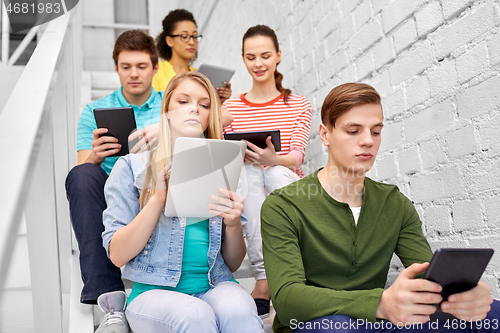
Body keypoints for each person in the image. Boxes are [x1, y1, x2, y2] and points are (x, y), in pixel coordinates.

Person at [261, 82, 500, 332]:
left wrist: (460, 292)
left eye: (376, 132)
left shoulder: (394, 203)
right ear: (324, 134)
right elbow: (288, 301)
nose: (367, 141)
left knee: (492, 311)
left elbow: (425, 275)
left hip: (380, 321)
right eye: (353, 131)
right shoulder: (282, 205)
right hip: (317, 325)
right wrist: (380, 302)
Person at [101, 71, 264, 333]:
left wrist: (232, 224)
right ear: (166, 109)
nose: (194, 110)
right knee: (195, 315)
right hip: (152, 292)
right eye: (183, 101)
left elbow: (232, 264)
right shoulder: (131, 167)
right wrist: (158, 199)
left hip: (215, 283)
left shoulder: (222, 165)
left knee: (241, 312)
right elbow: (117, 255)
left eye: (204, 104)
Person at [65, 29, 162, 332]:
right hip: (115, 197)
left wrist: (166, 128)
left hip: (158, 188)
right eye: (126, 66)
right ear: (116, 67)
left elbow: (216, 116)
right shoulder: (94, 111)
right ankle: (109, 298)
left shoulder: (172, 103)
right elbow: (84, 170)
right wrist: (95, 154)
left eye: (142, 66)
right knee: (80, 174)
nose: (134, 74)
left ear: (155, 68)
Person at [222, 24, 312, 319]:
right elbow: (221, 150)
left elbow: (297, 158)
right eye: (250, 57)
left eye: (264, 56)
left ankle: (280, 272)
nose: (258, 64)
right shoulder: (232, 108)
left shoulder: (298, 104)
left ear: (278, 56)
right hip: (249, 184)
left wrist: (273, 159)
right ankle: (264, 279)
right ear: (243, 59)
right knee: (248, 176)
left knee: (271, 174)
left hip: (285, 182)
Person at [153, 9, 232, 104]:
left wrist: (218, 101)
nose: (191, 42)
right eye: (184, 36)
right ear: (169, 41)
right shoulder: (155, 72)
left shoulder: (200, 75)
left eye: (194, 36)